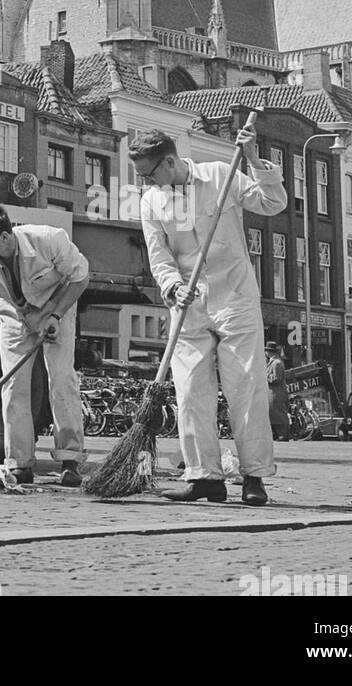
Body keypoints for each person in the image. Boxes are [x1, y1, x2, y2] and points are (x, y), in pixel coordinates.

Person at [132, 124, 288, 507]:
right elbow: (159, 255)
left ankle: (254, 477)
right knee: (190, 393)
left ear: (170, 161)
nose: (146, 182)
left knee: (246, 388)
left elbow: (273, 203)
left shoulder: (220, 174)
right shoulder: (151, 200)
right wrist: (172, 286)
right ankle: (204, 478)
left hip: (234, 297)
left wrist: (252, 157)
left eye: (150, 173)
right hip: (189, 304)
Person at [0, 201, 90, 486]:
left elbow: (81, 276)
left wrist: (54, 314)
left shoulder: (48, 239)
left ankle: (70, 459)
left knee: (60, 379)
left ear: (4, 238)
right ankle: (19, 462)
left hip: (57, 307)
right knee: (13, 385)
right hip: (15, 316)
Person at [266, 341, 291, 441]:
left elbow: (277, 378)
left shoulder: (277, 363)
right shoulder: (273, 362)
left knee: (279, 413)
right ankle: (278, 434)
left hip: (277, 392)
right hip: (273, 392)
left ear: (269, 352)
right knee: (273, 413)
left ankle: (284, 434)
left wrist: (265, 378)